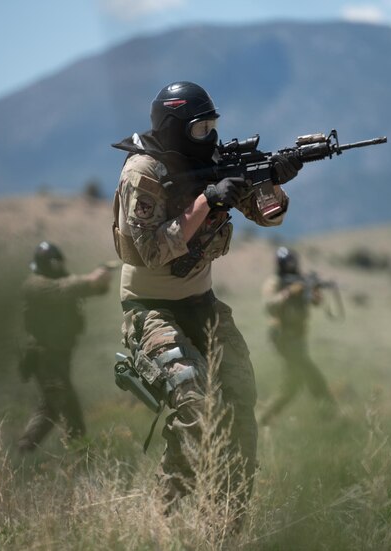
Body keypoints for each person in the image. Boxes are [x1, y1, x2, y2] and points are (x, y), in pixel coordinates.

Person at [110, 81, 301, 512]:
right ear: (174, 128)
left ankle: (226, 520)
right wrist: (207, 202)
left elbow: (267, 215)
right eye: (199, 130)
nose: (210, 138)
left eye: (213, 126)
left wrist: (273, 181)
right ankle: (169, 516)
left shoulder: (214, 161)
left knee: (240, 401)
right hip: (151, 308)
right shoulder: (143, 172)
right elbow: (150, 252)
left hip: (202, 304)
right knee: (195, 406)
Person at [17, 241, 111, 452]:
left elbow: (94, 290)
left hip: (58, 356)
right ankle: (81, 459)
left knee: (52, 407)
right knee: (68, 410)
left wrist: (102, 279)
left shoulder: (58, 282)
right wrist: (93, 278)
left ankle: (24, 452)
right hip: (45, 357)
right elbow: (67, 288)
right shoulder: (36, 285)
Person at [260, 247, 338, 425]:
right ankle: (330, 415)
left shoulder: (301, 282)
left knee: (292, 385)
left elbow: (316, 302)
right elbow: (269, 306)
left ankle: (265, 419)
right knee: (312, 377)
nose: (291, 267)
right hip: (283, 339)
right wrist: (288, 293)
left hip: (298, 338)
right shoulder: (275, 283)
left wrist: (313, 292)